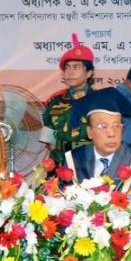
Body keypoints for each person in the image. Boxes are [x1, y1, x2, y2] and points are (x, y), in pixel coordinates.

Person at [63, 88, 131, 191]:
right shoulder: (73, 160)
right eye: (103, 126)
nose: (111, 134)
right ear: (89, 132)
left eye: (116, 126)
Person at [41, 33, 96, 166]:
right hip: (60, 166)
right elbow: (49, 142)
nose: (70, 72)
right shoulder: (55, 102)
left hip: (90, 165)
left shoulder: (102, 101)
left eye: (76, 67)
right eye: (67, 67)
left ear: (89, 73)